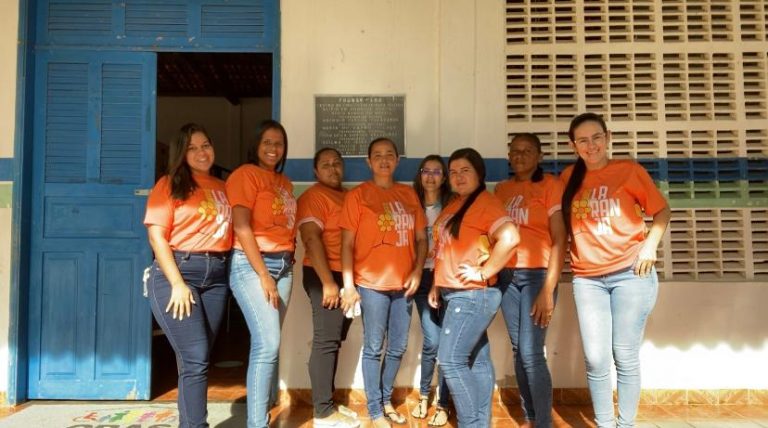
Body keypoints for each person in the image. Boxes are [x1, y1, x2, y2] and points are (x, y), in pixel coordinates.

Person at [560, 113, 671, 428]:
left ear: (607, 137)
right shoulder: (568, 178)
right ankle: (605, 424)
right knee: (596, 358)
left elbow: (662, 211)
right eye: (583, 140)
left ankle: (626, 424)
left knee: (624, 355)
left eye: (596, 137)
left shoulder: (629, 171)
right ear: (573, 146)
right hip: (587, 279)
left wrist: (649, 246)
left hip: (630, 274)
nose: (591, 145)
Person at [144, 123, 232, 428]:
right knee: (196, 356)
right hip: (179, 273)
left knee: (195, 360)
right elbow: (157, 237)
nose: (201, 152)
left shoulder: (223, 187)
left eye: (205, 145)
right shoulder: (169, 184)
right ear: (181, 153)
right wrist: (178, 284)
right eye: (192, 148)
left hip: (216, 277)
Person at [339, 138, 428, 428]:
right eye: (377, 155)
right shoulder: (358, 196)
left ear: (397, 160)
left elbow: (421, 239)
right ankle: (375, 410)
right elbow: (346, 243)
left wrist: (417, 271)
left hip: (404, 285)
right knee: (374, 348)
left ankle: (385, 399)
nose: (384, 159)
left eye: (389, 154)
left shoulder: (408, 194)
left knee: (398, 347)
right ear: (369, 162)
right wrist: (349, 285)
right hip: (371, 285)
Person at [428, 148, 520, 428]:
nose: (458, 176)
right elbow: (445, 249)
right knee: (477, 361)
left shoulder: (486, 204)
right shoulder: (456, 204)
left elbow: (510, 237)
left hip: (471, 295)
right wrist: (436, 285)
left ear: (479, 173)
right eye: (453, 172)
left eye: (465, 170)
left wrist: (485, 271)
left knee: (450, 361)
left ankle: (471, 424)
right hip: (453, 292)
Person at [225, 120, 297, 428]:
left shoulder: (284, 182)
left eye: (279, 143)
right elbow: (242, 227)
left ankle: (264, 408)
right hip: (252, 264)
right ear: (256, 145)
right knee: (267, 343)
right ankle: (256, 423)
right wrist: (264, 275)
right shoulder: (245, 175)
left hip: (284, 265)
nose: (273, 148)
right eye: (267, 142)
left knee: (272, 343)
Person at [494, 133, 566, 428]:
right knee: (518, 349)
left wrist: (548, 288)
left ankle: (543, 422)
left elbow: (560, 238)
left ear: (539, 156)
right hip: (508, 278)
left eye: (527, 151)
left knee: (531, 351)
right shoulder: (501, 190)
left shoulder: (551, 185)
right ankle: (531, 417)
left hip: (538, 275)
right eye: (515, 151)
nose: (520, 156)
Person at [297, 147, 360, 428]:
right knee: (326, 341)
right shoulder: (313, 197)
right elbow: (311, 240)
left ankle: (328, 402)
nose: (332, 169)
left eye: (336, 163)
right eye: (325, 164)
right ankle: (322, 413)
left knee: (333, 341)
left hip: (345, 277)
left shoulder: (348, 196)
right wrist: (328, 283)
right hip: (324, 276)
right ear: (315, 171)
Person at [410, 155, 452, 427]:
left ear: (444, 177)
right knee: (432, 341)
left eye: (437, 172)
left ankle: (443, 402)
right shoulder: (409, 203)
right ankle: (424, 395)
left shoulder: (451, 205)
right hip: (420, 276)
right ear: (420, 174)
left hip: (446, 276)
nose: (431, 176)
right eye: (426, 171)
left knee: (447, 343)